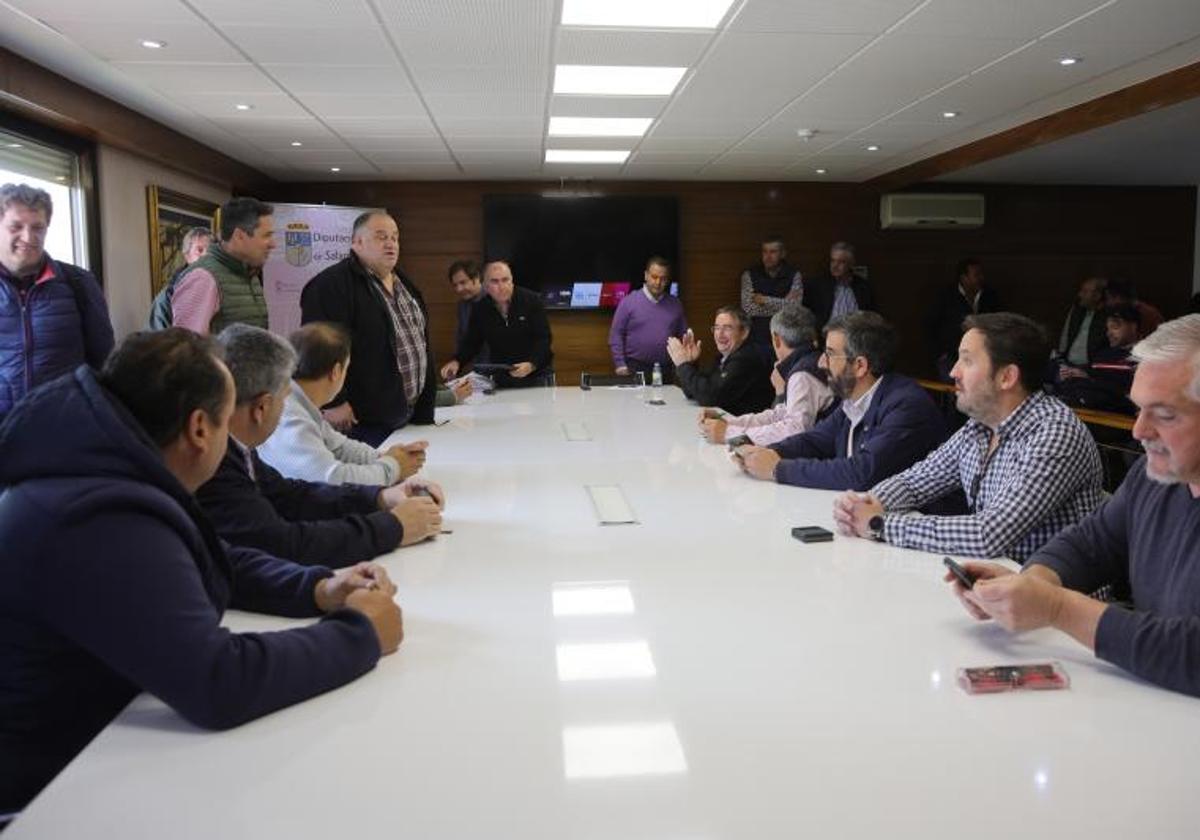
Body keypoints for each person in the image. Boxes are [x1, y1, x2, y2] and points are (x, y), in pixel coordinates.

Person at [0, 328, 401, 816]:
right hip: (50, 796)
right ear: (198, 429)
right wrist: (360, 635)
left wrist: (316, 587)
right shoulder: (97, 516)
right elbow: (217, 680)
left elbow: (207, 555)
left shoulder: (112, 472)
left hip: (103, 747)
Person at [942, 315, 1200, 698]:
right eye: (1138, 410)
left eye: (1164, 415)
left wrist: (1056, 608)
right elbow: (1090, 543)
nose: (1138, 431)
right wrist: (1031, 585)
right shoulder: (1153, 477)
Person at [833, 312, 1104, 562]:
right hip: (997, 585)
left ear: (1007, 377)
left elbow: (989, 534)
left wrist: (879, 524)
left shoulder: (1054, 433)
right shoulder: (980, 426)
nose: (953, 372)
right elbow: (917, 481)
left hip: (1054, 602)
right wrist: (867, 503)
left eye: (967, 360)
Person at [196, 324, 443, 566]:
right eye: (283, 398)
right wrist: (393, 527)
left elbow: (291, 495)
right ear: (262, 408)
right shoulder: (213, 464)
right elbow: (285, 544)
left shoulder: (236, 449)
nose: (286, 406)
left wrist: (379, 497)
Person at [735, 311, 945, 490]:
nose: (821, 363)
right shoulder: (852, 401)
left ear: (860, 366)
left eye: (830, 355)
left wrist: (776, 469)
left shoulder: (907, 405)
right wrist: (765, 452)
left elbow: (862, 473)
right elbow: (814, 441)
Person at [301, 212, 438, 446]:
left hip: (407, 414)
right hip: (361, 421)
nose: (390, 244)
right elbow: (317, 349)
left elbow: (421, 343)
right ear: (357, 242)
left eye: (395, 237)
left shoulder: (404, 283)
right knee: (370, 480)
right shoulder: (331, 285)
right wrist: (333, 403)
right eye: (381, 237)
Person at [258, 323, 431, 486]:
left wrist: (384, 456)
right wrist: (392, 468)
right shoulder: (290, 415)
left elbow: (339, 446)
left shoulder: (298, 400)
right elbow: (331, 479)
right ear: (336, 372)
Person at [0, 182, 114, 422]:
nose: (28, 237)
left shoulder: (78, 283)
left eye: (38, 227)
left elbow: (104, 361)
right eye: (16, 226)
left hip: (64, 426)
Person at [698, 304, 834, 445]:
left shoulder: (802, 375)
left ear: (776, 339)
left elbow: (794, 430)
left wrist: (729, 433)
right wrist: (728, 423)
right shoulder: (808, 360)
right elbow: (779, 415)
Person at [440, 259, 554, 388]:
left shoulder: (532, 301)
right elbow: (471, 343)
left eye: (505, 280)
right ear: (485, 285)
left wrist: (532, 364)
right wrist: (457, 361)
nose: (501, 286)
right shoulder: (480, 308)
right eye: (494, 281)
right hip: (504, 378)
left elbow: (544, 339)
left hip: (537, 375)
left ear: (512, 280)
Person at [171, 197, 273, 334]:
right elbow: (186, 348)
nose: (273, 244)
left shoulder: (248, 273)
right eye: (266, 236)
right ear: (239, 236)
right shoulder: (202, 278)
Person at [668, 305, 774, 416]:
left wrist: (683, 364)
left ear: (744, 333)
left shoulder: (746, 358)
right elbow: (695, 392)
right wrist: (690, 363)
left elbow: (709, 397)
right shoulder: (723, 356)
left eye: (727, 328)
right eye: (717, 328)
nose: (720, 334)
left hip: (744, 430)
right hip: (725, 424)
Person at [609, 255, 688, 381]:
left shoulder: (676, 304)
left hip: (667, 370)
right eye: (654, 277)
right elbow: (616, 335)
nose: (658, 283)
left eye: (663, 279)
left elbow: (684, 337)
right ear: (646, 275)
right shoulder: (628, 302)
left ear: (667, 280)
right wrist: (620, 364)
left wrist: (684, 365)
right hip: (634, 368)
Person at [1055, 304, 1140, 414]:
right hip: (1088, 409)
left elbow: (1126, 390)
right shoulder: (1103, 354)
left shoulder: (1144, 356)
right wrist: (1078, 373)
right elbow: (1093, 374)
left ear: (1133, 327)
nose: (1109, 333)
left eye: (1115, 327)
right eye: (1107, 328)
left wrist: (1092, 380)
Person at [926, 257, 1002, 380]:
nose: (981, 278)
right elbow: (930, 326)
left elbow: (999, 323)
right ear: (963, 278)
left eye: (981, 274)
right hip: (951, 358)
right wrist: (940, 355)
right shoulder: (946, 297)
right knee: (953, 393)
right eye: (976, 275)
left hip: (982, 356)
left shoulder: (990, 296)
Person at [739, 236, 803, 364]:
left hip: (785, 337)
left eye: (773, 252)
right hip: (757, 338)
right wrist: (784, 303)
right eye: (765, 252)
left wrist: (765, 300)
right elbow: (748, 308)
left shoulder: (794, 274)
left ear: (783, 254)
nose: (768, 256)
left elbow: (795, 308)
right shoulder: (749, 274)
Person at [148, 226, 212, 329]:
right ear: (187, 256)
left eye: (211, 251)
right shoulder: (167, 298)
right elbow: (157, 341)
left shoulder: (222, 291)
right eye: (199, 250)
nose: (206, 255)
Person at [803, 241, 875, 329]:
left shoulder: (863, 287)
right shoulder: (817, 285)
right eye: (833, 261)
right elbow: (806, 314)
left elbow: (871, 317)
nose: (835, 266)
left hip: (855, 337)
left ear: (851, 264)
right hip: (826, 337)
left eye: (841, 262)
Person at [1058, 276, 1108, 366]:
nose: (1080, 295)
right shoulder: (1077, 310)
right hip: (1067, 363)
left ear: (1097, 296)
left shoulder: (1107, 317)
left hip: (1090, 367)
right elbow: (1064, 338)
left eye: (1085, 292)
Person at [448, 259, 488, 365]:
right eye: (455, 285)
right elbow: (462, 337)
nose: (458, 289)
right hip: (479, 368)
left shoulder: (496, 299)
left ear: (477, 278)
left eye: (463, 283)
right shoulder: (462, 305)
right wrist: (456, 362)